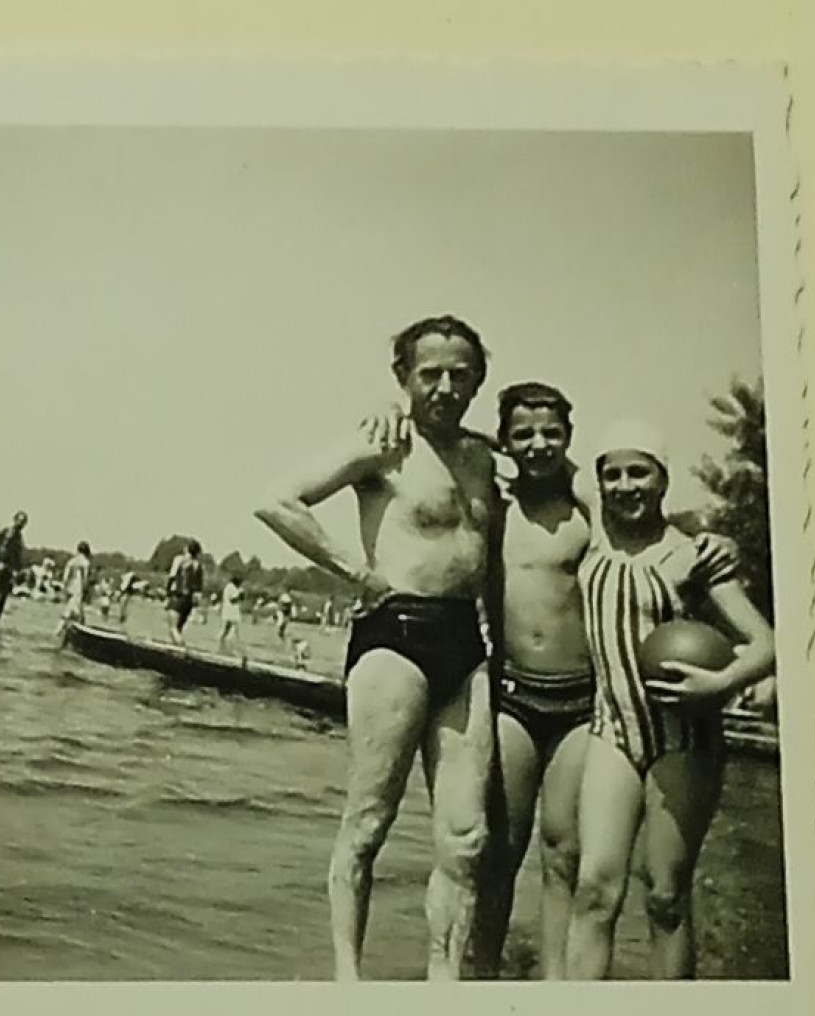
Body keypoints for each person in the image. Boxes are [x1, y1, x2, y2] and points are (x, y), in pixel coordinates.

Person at [365, 384, 739, 979]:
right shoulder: (492, 498)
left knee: (565, 852)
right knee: (496, 852)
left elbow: (652, 525)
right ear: (506, 442)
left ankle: (556, 986)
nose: (537, 445)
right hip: (512, 693)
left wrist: (714, 538)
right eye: (522, 435)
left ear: (569, 437)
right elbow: (453, 444)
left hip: (582, 703)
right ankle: (482, 975)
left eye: (551, 434)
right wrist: (397, 413)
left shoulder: (588, 501)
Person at [255, 314, 501, 981]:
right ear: (403, 378)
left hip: (465, 644)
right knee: (367, 825)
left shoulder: (486, 457)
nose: (445, 387)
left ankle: (441, 987)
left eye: (460, 373)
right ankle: (348, 980)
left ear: (478, 378)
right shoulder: (383, 442)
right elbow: (277, 501)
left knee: (467, 839)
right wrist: (360, 574)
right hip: (395, 635)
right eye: (430, 374)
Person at [563, 421, 775, 980]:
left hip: (684, 737)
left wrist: (719, 685)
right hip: (612, 730)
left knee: (665, 896)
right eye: (613, 474)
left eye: (639, 472)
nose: (625, 485)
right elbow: (527, 451)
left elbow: (766, 643)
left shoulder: (694, 556)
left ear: (662, 480)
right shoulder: (596, 533)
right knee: (592, 891)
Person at [165, 542, 205, 644]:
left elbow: (172, 577)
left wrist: (167, 594)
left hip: (178, 596)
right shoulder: (198, 565)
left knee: (172, 628)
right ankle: (176, 652)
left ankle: (181, 649)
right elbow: (199, 587)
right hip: (189, 600)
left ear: (187, 549)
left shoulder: (179, 560)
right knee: (179, 629)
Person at [57, 541, 93, 637]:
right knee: (74, 612)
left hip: (70, 588)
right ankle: (61, 632)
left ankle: (65, 632)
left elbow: (65, 578)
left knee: (73, 610)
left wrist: (65, 589)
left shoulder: (71, 561)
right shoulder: (85, 563)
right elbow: (85, 579)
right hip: (78, 588)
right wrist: (86, 591)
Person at [218, 574, 245, 654]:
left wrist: (241, 595)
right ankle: (228, 645)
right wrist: (240, 594)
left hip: (232, 610)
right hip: (230, 610)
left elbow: (240, 599)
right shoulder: (230, 587)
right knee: (231, 628)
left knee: (228, 629)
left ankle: (224, 644)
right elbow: (232, 600)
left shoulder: (235, 588)